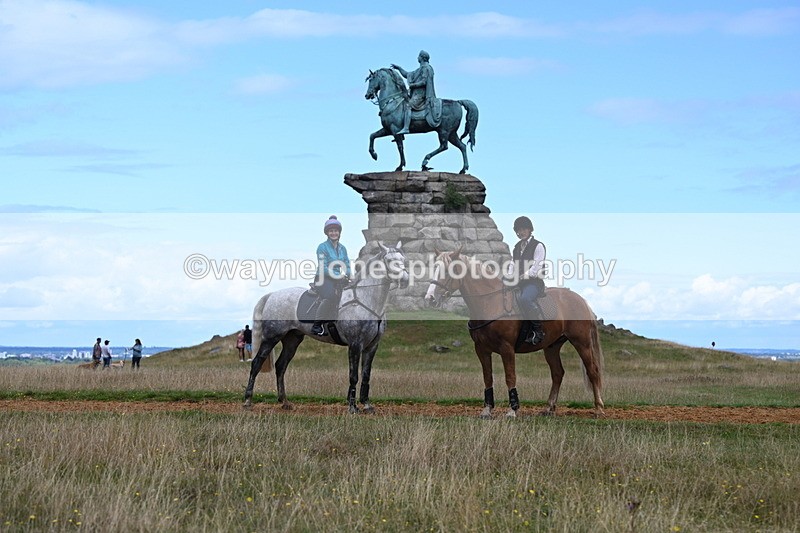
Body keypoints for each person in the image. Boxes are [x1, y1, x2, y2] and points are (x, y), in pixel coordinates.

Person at [507, 216, 547, 345]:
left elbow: (536, 268)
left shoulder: (538, 246)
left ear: (529, 229)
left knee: (525, 299)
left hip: (533, 283)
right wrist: (508, 277)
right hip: (519, 282)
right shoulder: (517, 247)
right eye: (518, 230)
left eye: (523, 229)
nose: (520, 232)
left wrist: (522, 276)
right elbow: (513, 265)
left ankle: (538, 331)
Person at [312, 215, 351, 336]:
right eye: (331, 231)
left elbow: (347, 264)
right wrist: (339, 276)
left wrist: (350, 275)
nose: (333, 233)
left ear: (339, 232)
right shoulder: (322, 247)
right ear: (327, 233)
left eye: (336, 231)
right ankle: (317, 325)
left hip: (338, 279)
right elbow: (323, 268)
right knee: (330, 296)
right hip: (323, 278)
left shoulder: (343, 248)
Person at [391, 50, 441, 134]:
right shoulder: (420, 69)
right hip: (416, 94)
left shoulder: (426, 68)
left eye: (419, 56)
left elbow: (424, 82)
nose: (417, 58)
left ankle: (406, 128)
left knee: (408, 106)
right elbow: (407, 74)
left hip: (421, 95)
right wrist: (399, 68)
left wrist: (413, 85)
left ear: (422, 58)